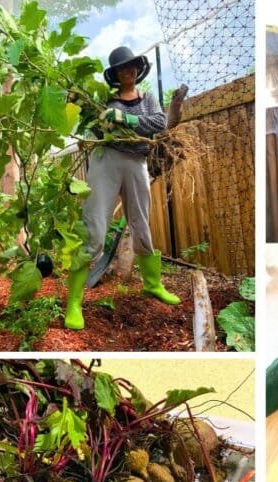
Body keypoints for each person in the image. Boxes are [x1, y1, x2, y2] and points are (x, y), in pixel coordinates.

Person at [64, 45, 180, 330]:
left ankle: (153, 284)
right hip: (107, 161)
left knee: (141, 224)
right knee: (95, 226)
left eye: (132, 65)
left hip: (137, 162)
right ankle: (74, 303)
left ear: (138, 69)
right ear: (115, 74)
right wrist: (82, 106)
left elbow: (160, 122)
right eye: (121, 67)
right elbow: (97, 128)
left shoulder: (148, 98)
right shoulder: (105, 102)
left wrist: (126, 119)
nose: (128, 70)